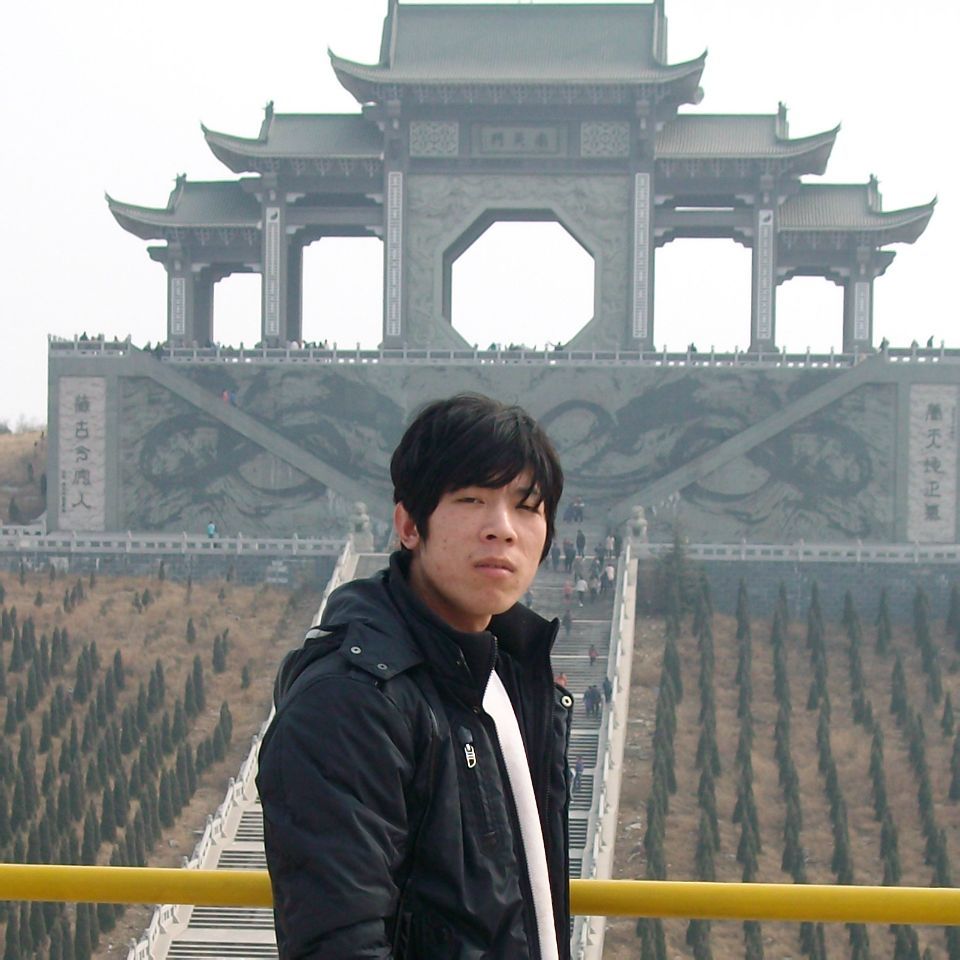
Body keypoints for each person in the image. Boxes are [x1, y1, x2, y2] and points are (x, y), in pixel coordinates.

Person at [258, 393, 571, 960]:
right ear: (408, 524)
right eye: (472, 500)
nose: (502, 529)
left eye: (527, 507)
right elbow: (339, 944)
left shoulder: (510, 673)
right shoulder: (352, 702)